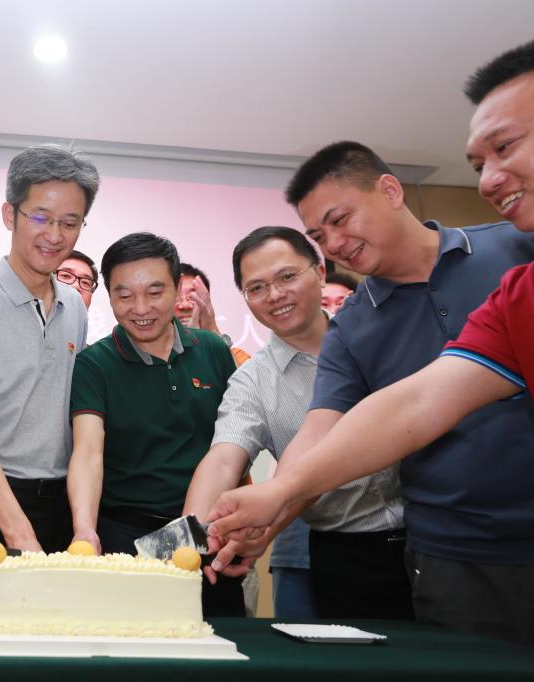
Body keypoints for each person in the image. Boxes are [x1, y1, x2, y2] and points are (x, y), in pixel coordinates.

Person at [208, 41, 534, 646]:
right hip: (452, 554)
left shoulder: (516, 251)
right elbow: (366, 417)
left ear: (389, 190)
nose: (333, 243)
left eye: (340, 220)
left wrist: (278, 497)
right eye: (318, 234)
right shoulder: (352, 325)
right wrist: (275, 502)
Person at [186, 226, 413, 619]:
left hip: (432, 538)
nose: (275, 295)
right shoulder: (252, 380)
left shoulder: (380, 337)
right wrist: (189, 541)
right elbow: (223, 459)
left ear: (320, 273)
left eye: (287, 276)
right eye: (257, 288)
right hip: (342, 554)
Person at [67, 232, 243, 617]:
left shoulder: (213, 350)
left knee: (214, 637)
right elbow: (88, 452)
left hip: (205, 532)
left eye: (154, 292)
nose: (140, 308)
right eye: (124, 295)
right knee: (129, 636)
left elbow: (234, 447)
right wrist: (84, 527)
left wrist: (221, 527)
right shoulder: (95, 364)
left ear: (177, 287)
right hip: (123, 537)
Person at [0, 144, 99, 553]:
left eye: (70, 222)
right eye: (41, 218)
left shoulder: (74, 306)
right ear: (10, 214)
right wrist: (20, 534)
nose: (55, 236)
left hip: (58, 504)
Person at [175, 263, 251, 366]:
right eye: (176, 297)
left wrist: (213, 330)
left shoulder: (237, 357)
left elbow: (241, 376)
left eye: (192, 297)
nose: (185, 305)